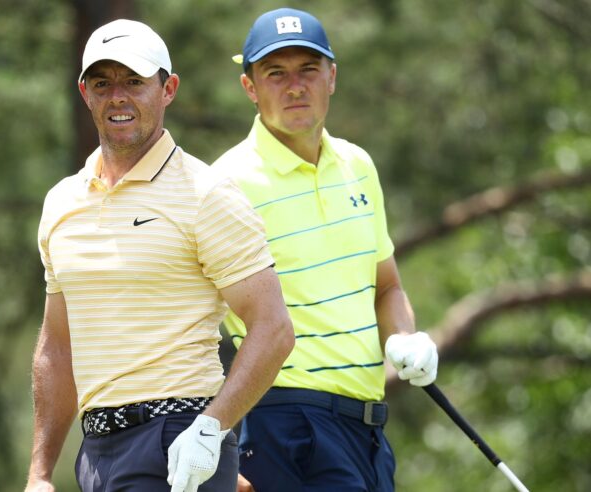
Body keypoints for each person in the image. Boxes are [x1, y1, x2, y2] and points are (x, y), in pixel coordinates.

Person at [24, 19, 294, 492]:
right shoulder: (62, 202)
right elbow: (57, 345)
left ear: (168, 89)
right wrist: (40, 474)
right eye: (102, 83)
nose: (117, 97)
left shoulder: (206, 193)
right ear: (85, 93)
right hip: (96, 453)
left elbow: (273, 329)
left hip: (178, 436)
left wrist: (211, 428)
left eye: (134, 81)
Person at [213, 8, 439, 492]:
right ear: (250, 87)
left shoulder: (358, 166)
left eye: (308, 70)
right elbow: (191, 318)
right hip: (285, 424)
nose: (295, 86)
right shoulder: (226, 184)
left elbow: (387, 286)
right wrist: (215, 435)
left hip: (366, 428)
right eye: (276, 73)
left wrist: (405, 337)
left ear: (332, 77)